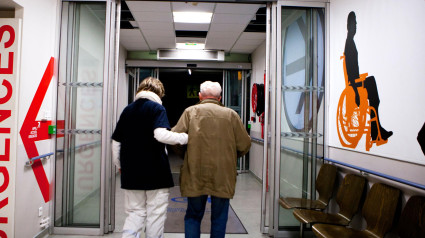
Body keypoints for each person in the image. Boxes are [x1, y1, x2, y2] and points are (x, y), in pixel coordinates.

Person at [172, 81, 251, 238]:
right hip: (223, 175)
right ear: (220, 98)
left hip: (195, 173)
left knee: (193, 216)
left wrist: (188, 155)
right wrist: (231, 157)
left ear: (200, 96)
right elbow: (244, 144)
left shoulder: (189, 112)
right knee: (219, 218)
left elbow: (175, 139)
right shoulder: (231, 115)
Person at [112, 77, 188, 238]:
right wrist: (185, 137)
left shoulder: (128, 110)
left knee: (135, 212)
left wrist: (119, 165)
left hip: (131, 172)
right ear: (159, 93)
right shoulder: (157, 109)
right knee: (155, 214)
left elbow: (116, 142)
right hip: (156, 171)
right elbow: (160, 135)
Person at [344, 11, 393, 141]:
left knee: (371, 84)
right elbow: (350, 71)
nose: (356, 26)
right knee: (371, 83)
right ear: (349, 25)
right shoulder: (349, 43)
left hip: (355, 80)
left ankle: (376, 129)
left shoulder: (350, 42)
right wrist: (356, 92)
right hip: (354, 83)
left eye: (356, 23)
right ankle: (376, 129)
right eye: (354, 23)